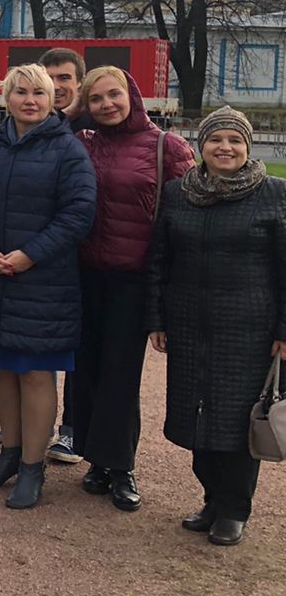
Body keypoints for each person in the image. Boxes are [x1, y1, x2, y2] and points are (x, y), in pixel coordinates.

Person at [0, 64, 97, 510]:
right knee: (3, 369)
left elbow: (78, 212)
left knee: (36, 373)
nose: (29, 100)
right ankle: (10, 455)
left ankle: (33, 467)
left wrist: (29, 254)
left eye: (39, 92)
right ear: (7, 98)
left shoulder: (68, 150)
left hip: (43, 281)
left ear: (52, 99)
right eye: (21, 92)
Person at [146, 107, 286, 547]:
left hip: (249, 327)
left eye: (235, 140)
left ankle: (233, 509)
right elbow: (159, 261)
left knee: (237, 422)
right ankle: (210, 498)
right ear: (201, 146)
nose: (225, 148)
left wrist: (284, 329)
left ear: (247, 147)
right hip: (189, 323)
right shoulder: (178, 193)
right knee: (196, 416)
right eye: (216, 139)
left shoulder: (273, 194)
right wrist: (157, 318)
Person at [74, 66, 194, 511]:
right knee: (86, 368)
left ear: (132, 96)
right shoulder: (82, 142)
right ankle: (96, 458)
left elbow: (188, 210)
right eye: (96, 98)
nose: (107, 104)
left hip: (133, 276)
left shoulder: (167, 146)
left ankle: (121, 465)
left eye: (114, 95)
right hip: (84, 273)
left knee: (120, 374)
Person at [38, 45, 88, 464]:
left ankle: (71, 428)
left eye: (65, 78)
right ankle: (35, 419)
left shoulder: (90, 128)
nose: (56, 87)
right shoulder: (33, 124)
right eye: (50, 78)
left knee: (78, 348)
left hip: (87, 252)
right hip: (44, 255)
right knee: (41, 341)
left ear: (79, 83)